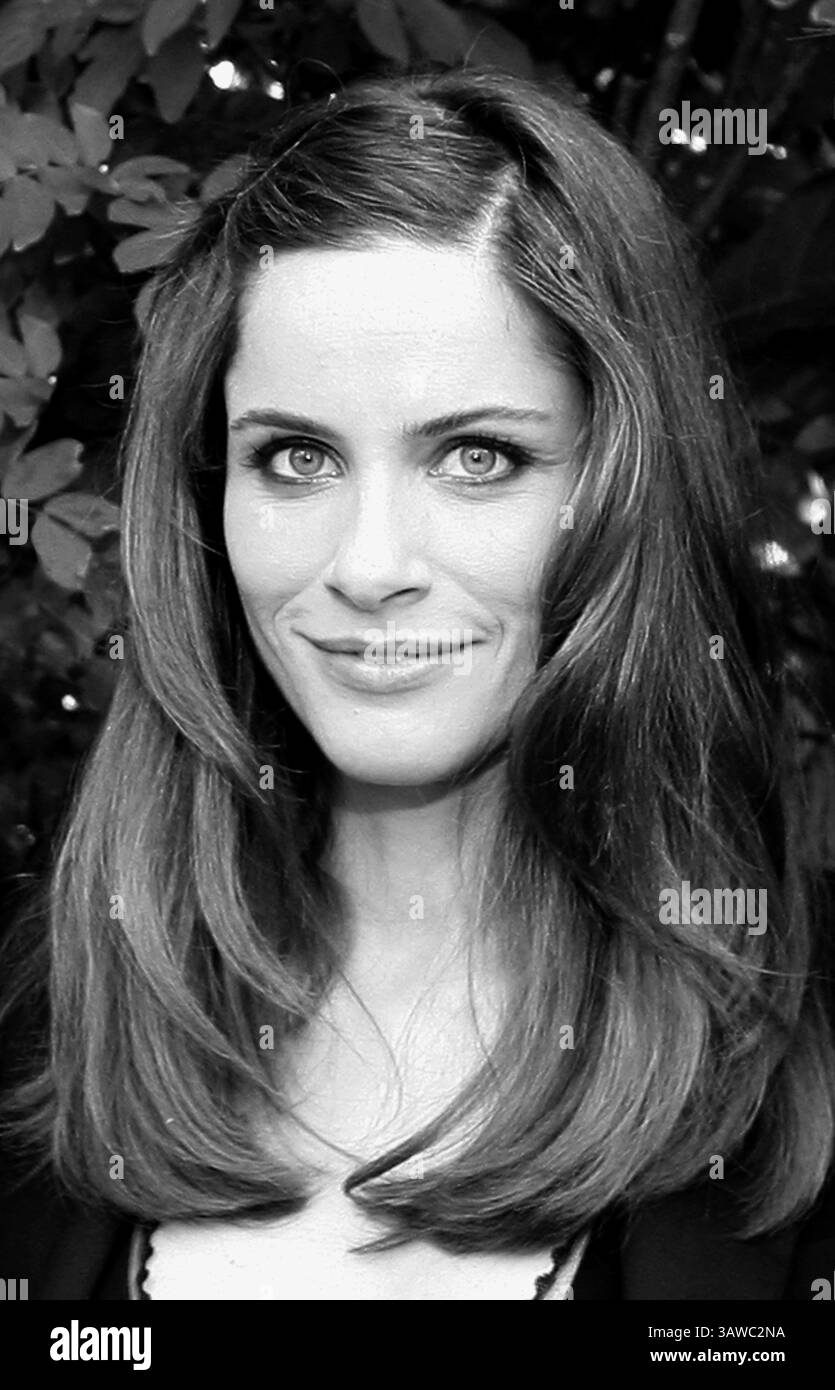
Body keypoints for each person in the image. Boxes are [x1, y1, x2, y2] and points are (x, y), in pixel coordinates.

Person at [1, 65, 833, 1301]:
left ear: (624, 487)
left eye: (477, 456)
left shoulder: (802, 1041)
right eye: (295, 457)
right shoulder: (38, 1011)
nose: (368, 565)